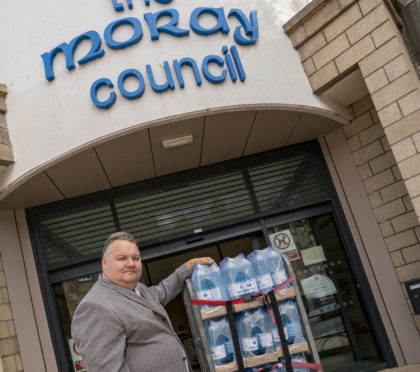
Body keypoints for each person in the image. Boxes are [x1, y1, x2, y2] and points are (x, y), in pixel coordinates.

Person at [71, 231, 214, 372]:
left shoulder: (140, 290)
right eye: (122, 258)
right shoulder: (95, 307)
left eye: (136, 258)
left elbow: (162, 291)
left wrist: (188, 267)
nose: (131, 264)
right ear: (104, 262)